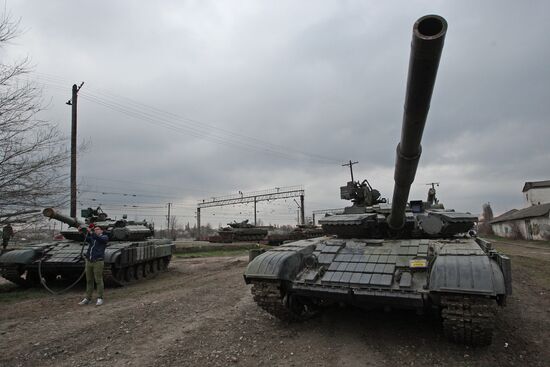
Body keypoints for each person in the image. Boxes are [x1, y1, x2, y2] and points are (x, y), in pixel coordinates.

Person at [79, 224, 109, 306]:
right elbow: (87, 238)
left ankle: (100, 298)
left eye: (98, 229)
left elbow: (98, 238)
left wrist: (91, 232)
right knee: (89, 280)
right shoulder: (93, 237)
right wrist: (82, 232)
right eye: (95, 229)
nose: (96, 230)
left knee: (98, 280)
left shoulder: (104, 237)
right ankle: (88, 298)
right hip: (89, 261)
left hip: (98, 262)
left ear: (102, 230)